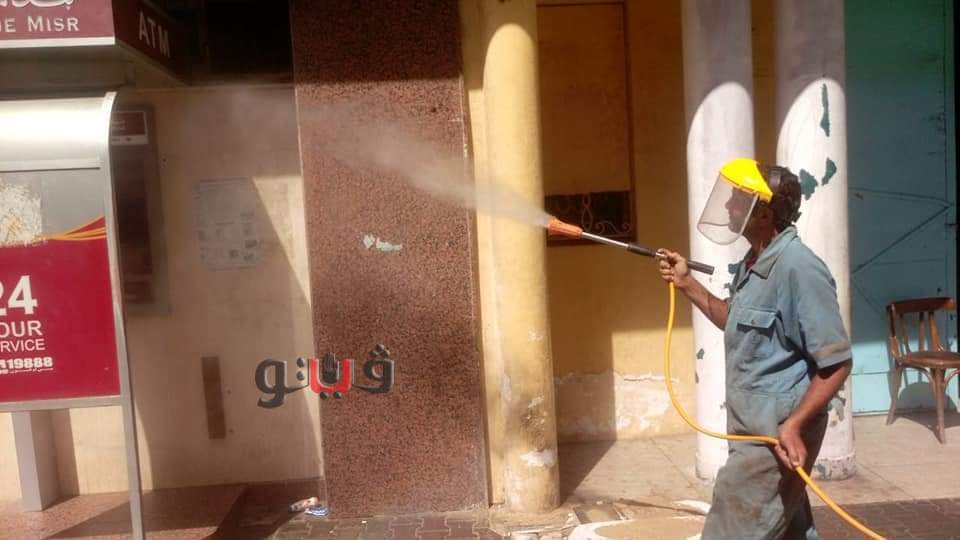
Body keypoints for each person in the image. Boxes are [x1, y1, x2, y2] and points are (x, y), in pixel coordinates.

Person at [657, 158, 852, 539]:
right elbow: (734, 319)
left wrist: (794, 426)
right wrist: (687, 284)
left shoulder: (798, 268)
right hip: (751, 428)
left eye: (738, 198)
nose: (729, 205)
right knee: (788, 530)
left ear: (763, 213)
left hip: (774, 436)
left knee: (730, 530)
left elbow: (837, 362)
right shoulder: (755, 262)